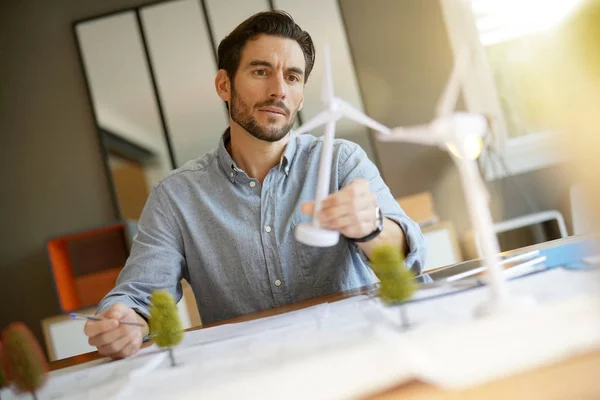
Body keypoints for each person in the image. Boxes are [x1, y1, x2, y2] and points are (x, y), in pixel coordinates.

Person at [84, 10, 426, 359]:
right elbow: (139, 295)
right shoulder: (175, 196)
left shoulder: (342, 162)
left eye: (292, 78)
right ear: (224, 85)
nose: (278, 90)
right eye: (261, 72)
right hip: (249, 376)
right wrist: (125, 320)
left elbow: (412, 263)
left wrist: (372, 228)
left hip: (357, 356)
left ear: (302, 96)